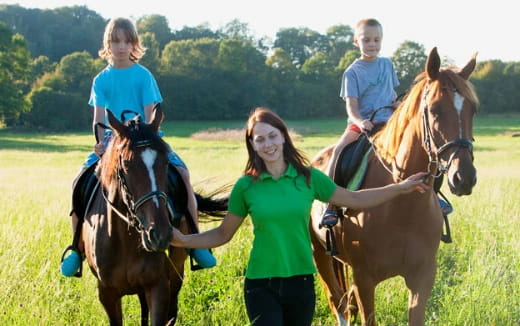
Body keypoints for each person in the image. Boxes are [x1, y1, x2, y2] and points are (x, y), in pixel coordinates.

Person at [170, 107, 429, 326]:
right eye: (259, 139)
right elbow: (222, 234)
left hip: (302, 284)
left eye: (272, 136)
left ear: (283, 137)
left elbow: (355, 199)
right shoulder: (246, 186)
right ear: (252, 144)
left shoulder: (309, 178)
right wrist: (182, 240)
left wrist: (401, 187)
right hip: (261, 285)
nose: (267, 144)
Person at [60, 17, 215, 277]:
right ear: (107, 44)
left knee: (183, 174)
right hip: (112, 143)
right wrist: (99, 143)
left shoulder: (143, 76)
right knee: (79, 181)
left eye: (126, 41)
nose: (121, 46)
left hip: (144, 141)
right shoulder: (101, 80)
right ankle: (77, 247)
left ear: (134, 44)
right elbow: (99, 118)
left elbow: (150, 115)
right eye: (115, 41)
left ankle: (196, 242)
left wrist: (143, 137)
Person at [320, 18, 400, 227]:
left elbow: (391, 94)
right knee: (339, 151)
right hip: (364, 123)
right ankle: (332, 203)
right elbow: (351, 107)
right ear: (357, 42)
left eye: (376, 40)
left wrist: (398, 104)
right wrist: (360, 121)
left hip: (390, 122)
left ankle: (432, 194)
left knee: (418, 144)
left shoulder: (387, 64)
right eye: (367, 40)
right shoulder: (352, 72)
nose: (372, 44)